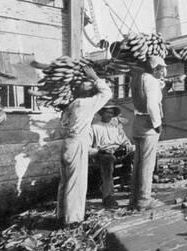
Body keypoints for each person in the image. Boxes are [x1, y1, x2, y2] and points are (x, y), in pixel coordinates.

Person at [57, 66, 112, 227]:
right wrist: (95, 77)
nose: (91, 86)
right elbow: (106, 93)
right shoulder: (86, 104)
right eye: (88, 85)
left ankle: (61, 215)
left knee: (65, 181)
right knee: (76, 181)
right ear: (84, 91)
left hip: (67, 144)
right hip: (78, 142)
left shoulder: (71, 105)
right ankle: (72, 219)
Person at [128, 55, 167, 211]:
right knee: (147, 164)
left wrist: (160, 85)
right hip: (148, 123)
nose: (163, 73)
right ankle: (144, 200)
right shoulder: (150, 80)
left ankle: (134, 199)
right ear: (155, 68)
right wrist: (157, 124)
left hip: (137, 123)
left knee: (138, 163)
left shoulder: (138, 78)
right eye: (162, 70)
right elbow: (151, 104)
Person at [91, 104, 134, 208]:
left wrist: (127, 144)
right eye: (107, 112)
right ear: (102, 113)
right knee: (108, 161)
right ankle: (108, 197)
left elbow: (124, 139)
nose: (110, 115)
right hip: (103, 153)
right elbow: (90, 147)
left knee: (135, 153)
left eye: (111, 113)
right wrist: (101, 150)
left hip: (117, 150)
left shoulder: (115, 127)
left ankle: (130, 181)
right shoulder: (95, 127)